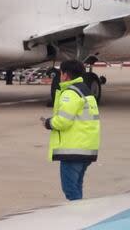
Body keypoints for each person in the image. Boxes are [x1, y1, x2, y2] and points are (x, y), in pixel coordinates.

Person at [41, 59, 101, 201]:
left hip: (73, 150)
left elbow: (63, 121)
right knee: (76, 186)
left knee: (70, 189)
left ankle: (78, 217)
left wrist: (48, 123)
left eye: (61, 73)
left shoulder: (70, 93)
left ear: (65, 75)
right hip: (87, 148)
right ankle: (80, 212)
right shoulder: (86, 91)